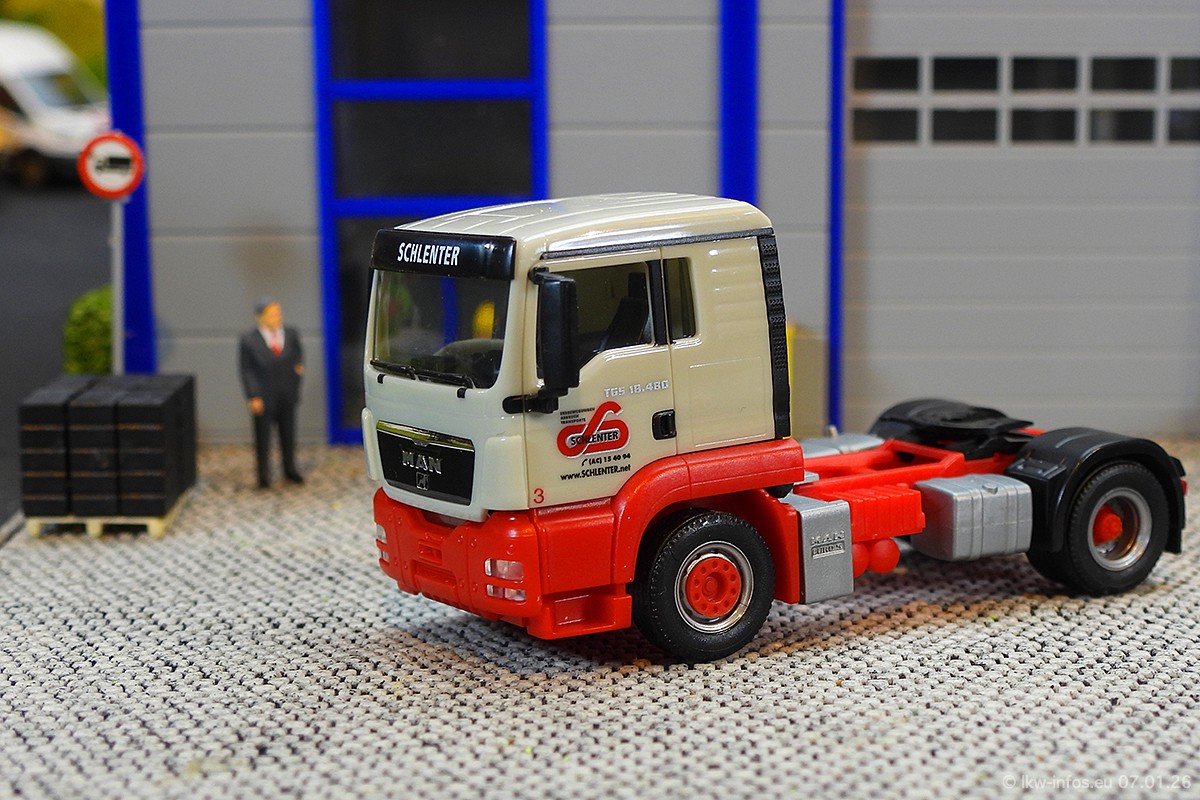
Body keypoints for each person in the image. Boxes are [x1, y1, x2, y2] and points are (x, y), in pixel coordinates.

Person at [239, 298, 304, 488]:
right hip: (264, 396)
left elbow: (298, 360)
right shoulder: (249, 340)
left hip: (287, 394)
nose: (277, 317)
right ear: (260, 317)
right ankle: (263, 473)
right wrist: (253, 395)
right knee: (263, 436)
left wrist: (296, 382)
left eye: (278, 313)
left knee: (288, 434)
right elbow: (246, 370)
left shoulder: (291, 335)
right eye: (272, 314)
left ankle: (289, 468)